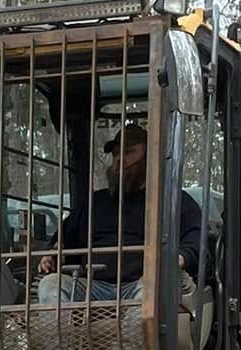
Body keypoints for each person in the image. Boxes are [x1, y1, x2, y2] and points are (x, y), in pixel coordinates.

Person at [37, 123, 202, 301]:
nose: (119, 160)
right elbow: (63, 239)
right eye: (116, 154)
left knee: (152, 291)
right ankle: (67, 330)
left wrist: (180, 257)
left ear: (150, 157)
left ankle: (128, 330)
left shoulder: (173, 200)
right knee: (50, 286)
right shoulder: (95, 202)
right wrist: (51, 254)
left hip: (143, 283)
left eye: (128, 152)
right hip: (92, 286)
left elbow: (195, 238)